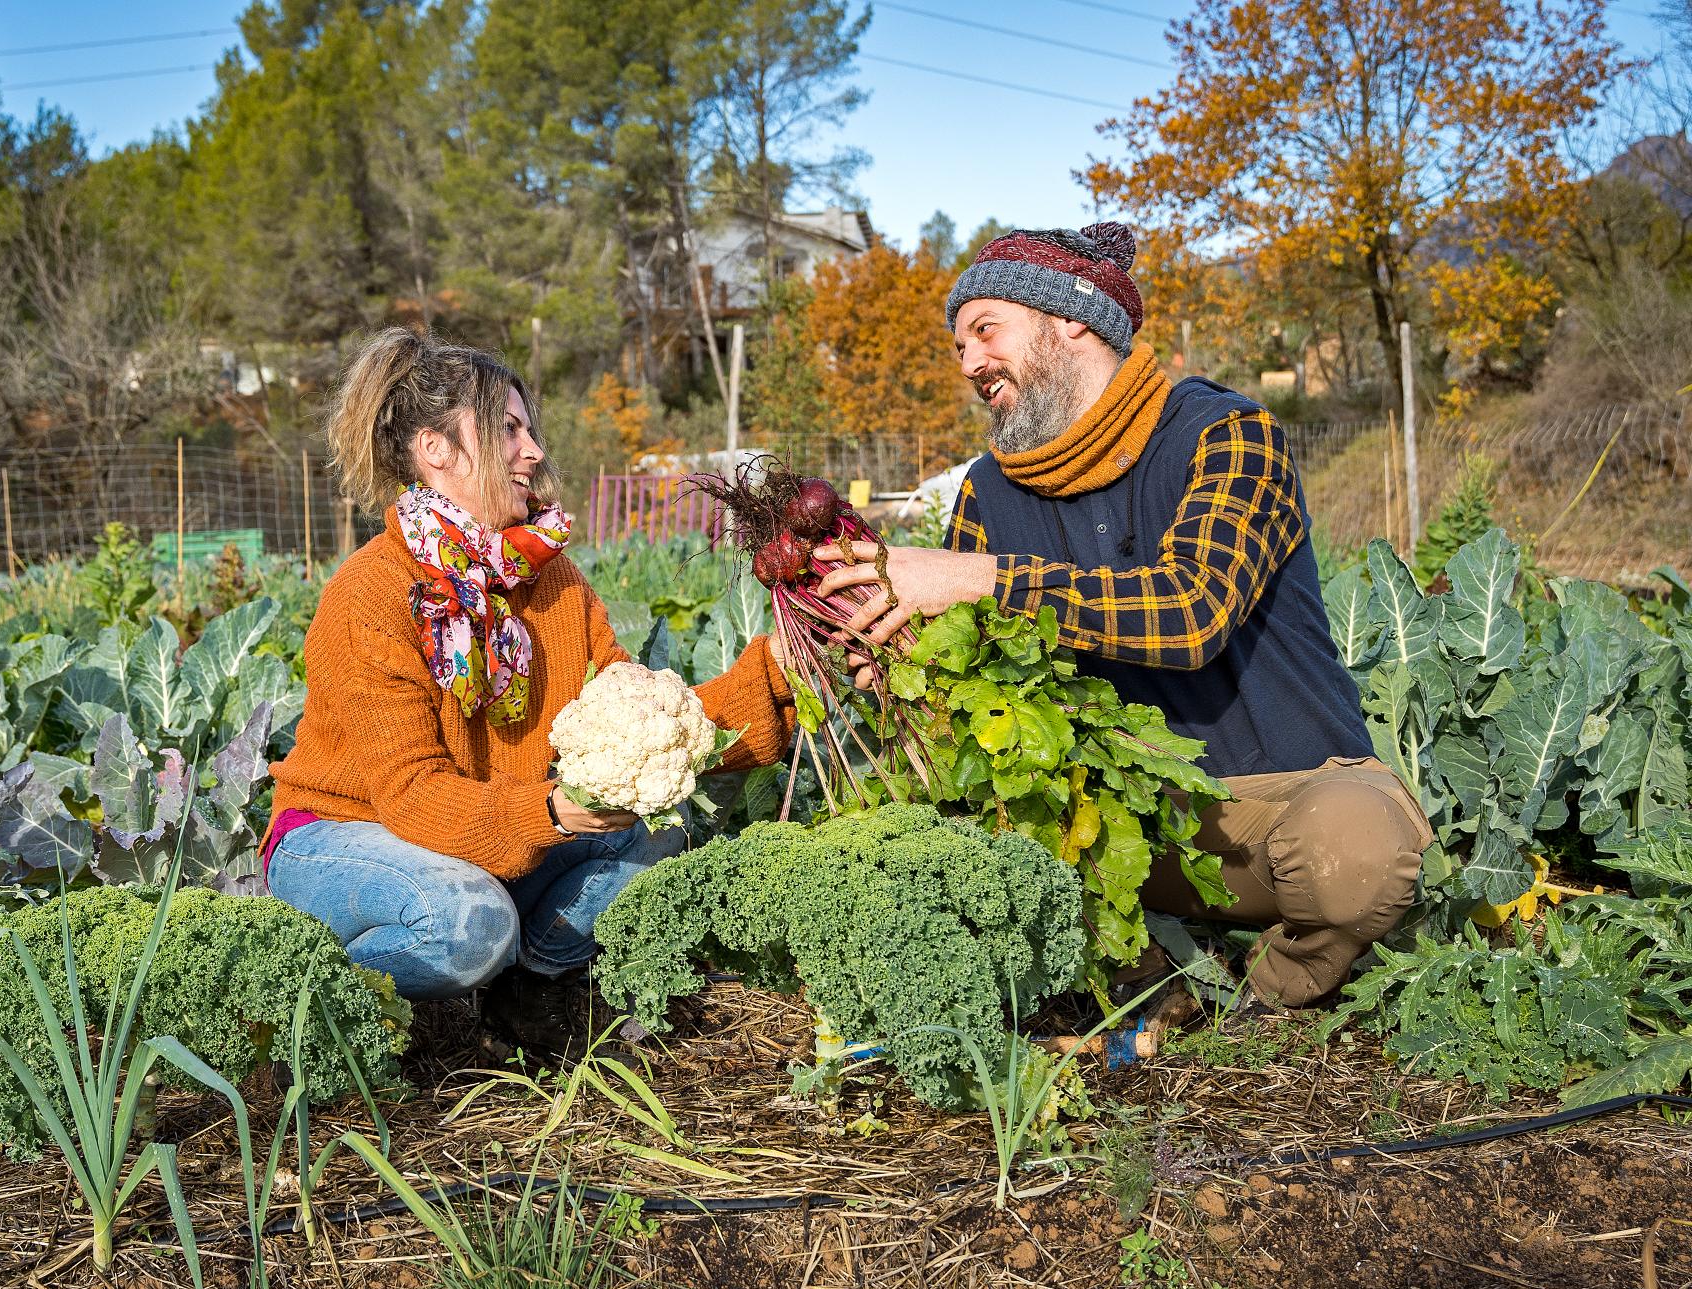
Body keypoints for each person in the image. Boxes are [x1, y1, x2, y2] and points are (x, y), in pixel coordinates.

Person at [817, 223, 1433, 1008]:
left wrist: (980, 580)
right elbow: (970, 691)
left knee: (1359, 849)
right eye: (959, 347)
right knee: (951, 840)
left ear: (1071, 320)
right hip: (1112, 830)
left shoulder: (1227, 435)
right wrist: (899, 664)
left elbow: (1192, 611)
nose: (969, 362)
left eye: (985, 330)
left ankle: (1264, 993)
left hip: (1281, 809)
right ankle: (1152, 971)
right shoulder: (986, 494)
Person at [263, 329, 794, 1036]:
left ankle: (529, 985)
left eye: (529, 430)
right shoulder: (372, 593)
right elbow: (411, 797)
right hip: (346, 833)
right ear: (436, 449)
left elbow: (644, 723)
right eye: (508, 430)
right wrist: (551, 813)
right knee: (468, 922)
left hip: (486, 834)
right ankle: (303, 1006)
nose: (534, 451)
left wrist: (779, 674)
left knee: (659, 839)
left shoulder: (554, 582)